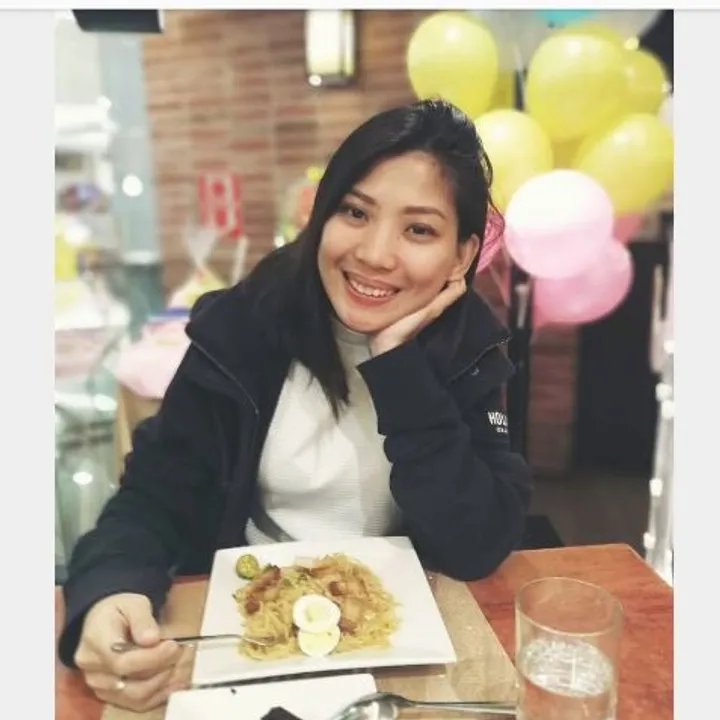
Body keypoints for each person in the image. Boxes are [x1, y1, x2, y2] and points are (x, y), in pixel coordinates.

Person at [58, 99, 533, 711]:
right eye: (355, 212)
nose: (376, 254)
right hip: (249, 629)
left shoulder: (471, 348)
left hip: (398, 649)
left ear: (463, 255)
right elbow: (154, 494)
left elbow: (478, 541)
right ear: (322, 214)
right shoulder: (245, 324)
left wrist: (397, 367)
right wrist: (110, 589)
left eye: (419, 230)